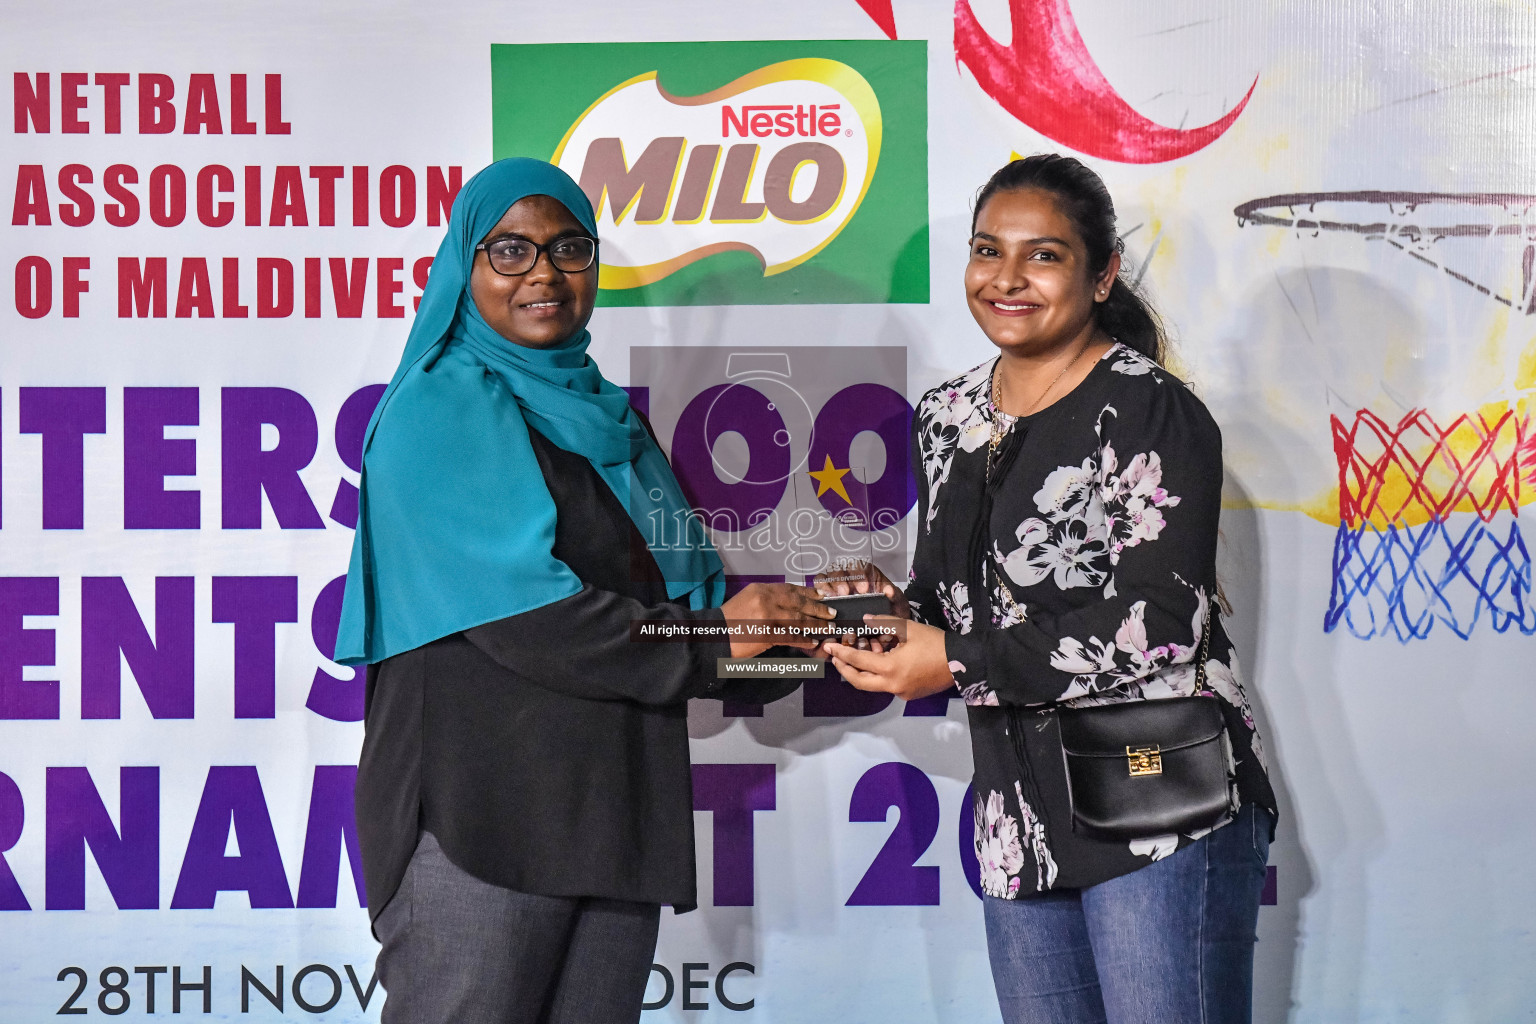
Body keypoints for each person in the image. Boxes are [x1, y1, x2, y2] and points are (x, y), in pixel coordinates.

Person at [333, 158, 833, 1024]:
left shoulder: (612, 424)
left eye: (568, 247)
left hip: (612, 821)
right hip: (482, 825)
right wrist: (718, 638)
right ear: (464, 264)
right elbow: (538, 622)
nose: (544, 273)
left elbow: (686, 634)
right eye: (510, 251)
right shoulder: (436, 410)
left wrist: (825, 628)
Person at [819, 154, 1278, 1023]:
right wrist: (887, 617)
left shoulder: (1150, 408)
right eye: (987, 250)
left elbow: (1160, 623)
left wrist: (952, 662)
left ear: (1102, 275)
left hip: (1157, 808)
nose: (1007, 278)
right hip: (1017, 822)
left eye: (1044, 256)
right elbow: (947, 599)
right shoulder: (947, 414)